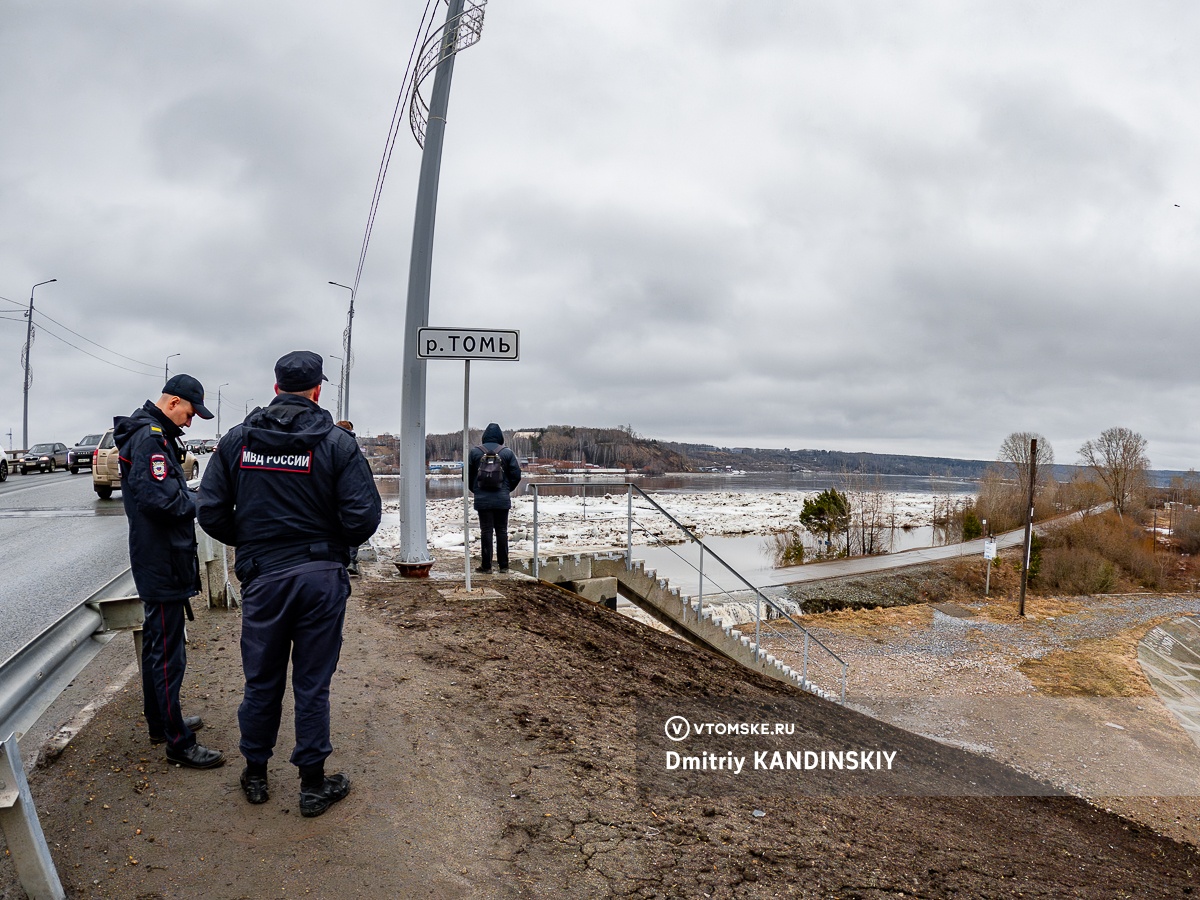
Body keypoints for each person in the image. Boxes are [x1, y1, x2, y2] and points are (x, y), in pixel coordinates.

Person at [197, 351, 381, 817]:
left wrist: (257, 543)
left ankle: (256, 774)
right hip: (320, 577)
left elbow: (211, 510)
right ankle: (312, 785)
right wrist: (325, 544)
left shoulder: (238, 441)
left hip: (265, 577)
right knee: (312, 683)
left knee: (261, 679)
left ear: (275, 387)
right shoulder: (337, 443)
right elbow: (363, 516)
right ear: (318, 389)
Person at [114, 374, 224, 769]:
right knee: (166, 654)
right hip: (161, 558)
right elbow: (162, 502)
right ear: (174, 402)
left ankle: (162, 721)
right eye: (191, 413)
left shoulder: (154, 434)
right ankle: (178, 742)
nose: (191, 423)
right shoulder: (150, 438)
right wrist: (200, 499)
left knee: (162, 648)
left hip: (161, 555)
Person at [466, 422, 522, 573]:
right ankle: (504, 566)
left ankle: (486, 566)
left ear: (484, 436)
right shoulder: (507, 453)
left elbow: (466, 477)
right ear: (500, 436)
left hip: (482, 499)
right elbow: (516, 475)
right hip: (502, 499)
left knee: (486, 531)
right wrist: (507, 489)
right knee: (502, 531)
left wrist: (477, 490)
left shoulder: (475, 453)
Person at [335, 420, 363, 577]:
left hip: (332, 496)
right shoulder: (352, 446)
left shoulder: (327, 442)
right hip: (349, 495)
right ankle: (350, 561)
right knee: (351, 526)